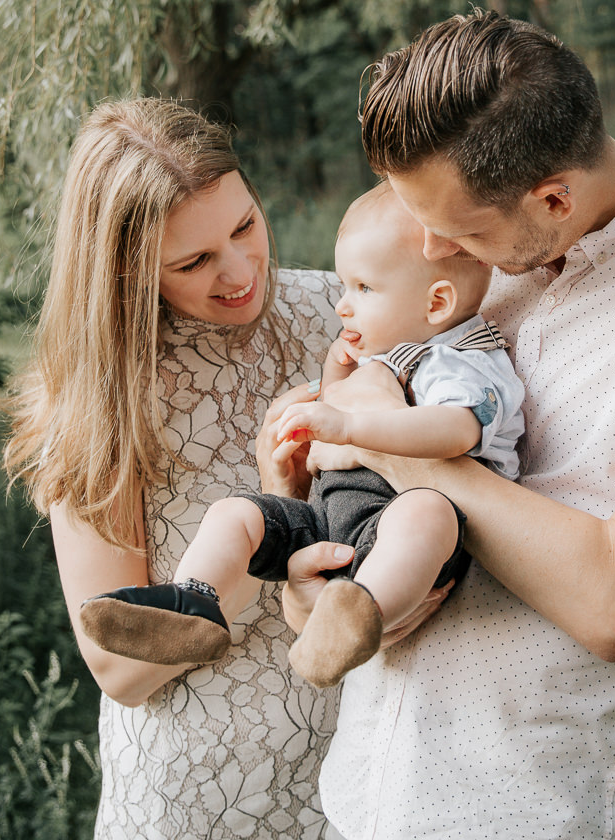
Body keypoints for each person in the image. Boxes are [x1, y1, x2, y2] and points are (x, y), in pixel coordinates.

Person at [266, 12, 615, 839]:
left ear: (553, 200)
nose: (430, 250)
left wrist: (383, 435)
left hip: (520, 809)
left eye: (454, 231)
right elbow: (352, 483)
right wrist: (308, 572)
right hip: (359, 795)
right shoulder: (470, 250)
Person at [4, 98, 353, 839]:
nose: (239, 272)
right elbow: (119, 671)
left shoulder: (341, 315)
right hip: (205, 793)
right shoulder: (106, 397)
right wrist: (270, 513)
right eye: (193, 261)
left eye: (244, 226)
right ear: (125, 269)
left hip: (366, 771)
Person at [77, 182, 526, 689]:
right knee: (235, 513)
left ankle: (360, 610)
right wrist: (337, 383)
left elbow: (455, 430)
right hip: (328, 520)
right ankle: (194, 600)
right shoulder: (387, 348)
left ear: (437, 302)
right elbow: (336, 422)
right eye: (342, 287)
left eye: (364, 289)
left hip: (402, 528)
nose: (342, 307)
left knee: (426, 516)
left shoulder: (462, 359)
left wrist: (351, 426)